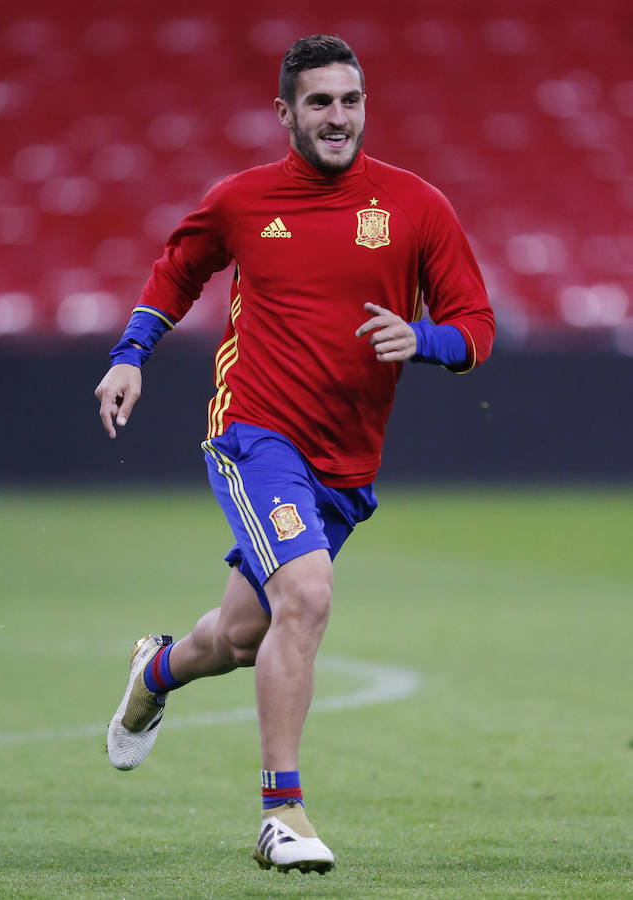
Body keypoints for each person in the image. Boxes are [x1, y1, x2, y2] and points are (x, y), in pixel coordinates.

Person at [95, 34, 495, 875]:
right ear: (286, 112)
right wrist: (130, 355)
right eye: (320, 102)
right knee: (307, 593)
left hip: (345, 464)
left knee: (243, 636)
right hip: (254, 432)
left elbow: (476, 329)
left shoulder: (416, 205)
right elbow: (178, 269)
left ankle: (155, 670)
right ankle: (282, 813)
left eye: (350, 100)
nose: (339, 117)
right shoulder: (243, 201)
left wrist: (421, 338)